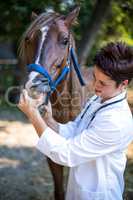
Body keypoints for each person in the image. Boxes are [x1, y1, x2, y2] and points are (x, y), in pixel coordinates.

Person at [18, 42, 133, 200]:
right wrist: (47, 118)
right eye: (95, 78)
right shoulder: (98, 100)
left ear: (123, 84)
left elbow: (66, 154)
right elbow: (74, 130)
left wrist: (33, 116)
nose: (95, 86)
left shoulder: (116, 122)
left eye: (103, 83)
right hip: (78, 189)